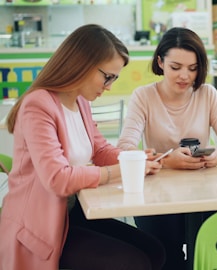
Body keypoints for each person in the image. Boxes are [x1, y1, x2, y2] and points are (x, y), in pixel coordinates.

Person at [0, 24, 166, 270]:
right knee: (134, 262)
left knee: (155, 250)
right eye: (107, 76)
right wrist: (120, 170)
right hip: (39, 226)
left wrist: (139, 157)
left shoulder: (81, 102)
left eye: (114, 78)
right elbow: (57, 178)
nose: (109, 86)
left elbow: (99, 151)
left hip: (70, 215)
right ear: (82, 64)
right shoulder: (39, 105)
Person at [117, 27, 217, 269]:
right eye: (176, 67)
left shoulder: (207, 93)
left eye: (192, 68)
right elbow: (125, 149)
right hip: (157, 200)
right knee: (167, 258)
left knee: (207, 256)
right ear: (160, 62)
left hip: (203, 195)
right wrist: (166, 162)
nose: (184, 76)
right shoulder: (143, 97)